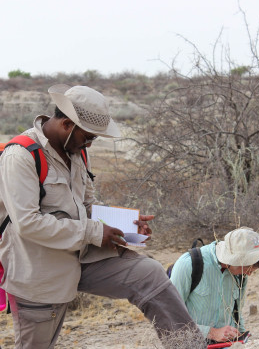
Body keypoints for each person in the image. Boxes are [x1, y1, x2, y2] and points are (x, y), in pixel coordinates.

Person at [0, 84, 204, 349]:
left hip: (82, 256)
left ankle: (190, 346)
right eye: (88, 136)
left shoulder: (78, 151)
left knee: (149, 273)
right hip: (38, 269)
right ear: (66, 125)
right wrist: (96, 232)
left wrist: (124, 221)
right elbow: (28, 224)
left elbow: (86, 206)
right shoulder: (21, 156)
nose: (90, 143)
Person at [170, 227, 259, 344]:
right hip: (192, 343)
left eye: (253, 270)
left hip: (227, 344)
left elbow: (237, 314)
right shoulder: (189, 265)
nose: (249, 274)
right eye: (247, 267)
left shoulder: (240, 274)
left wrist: (242, 338)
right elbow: (168, 315)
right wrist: (211, 332)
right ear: (233, 259)